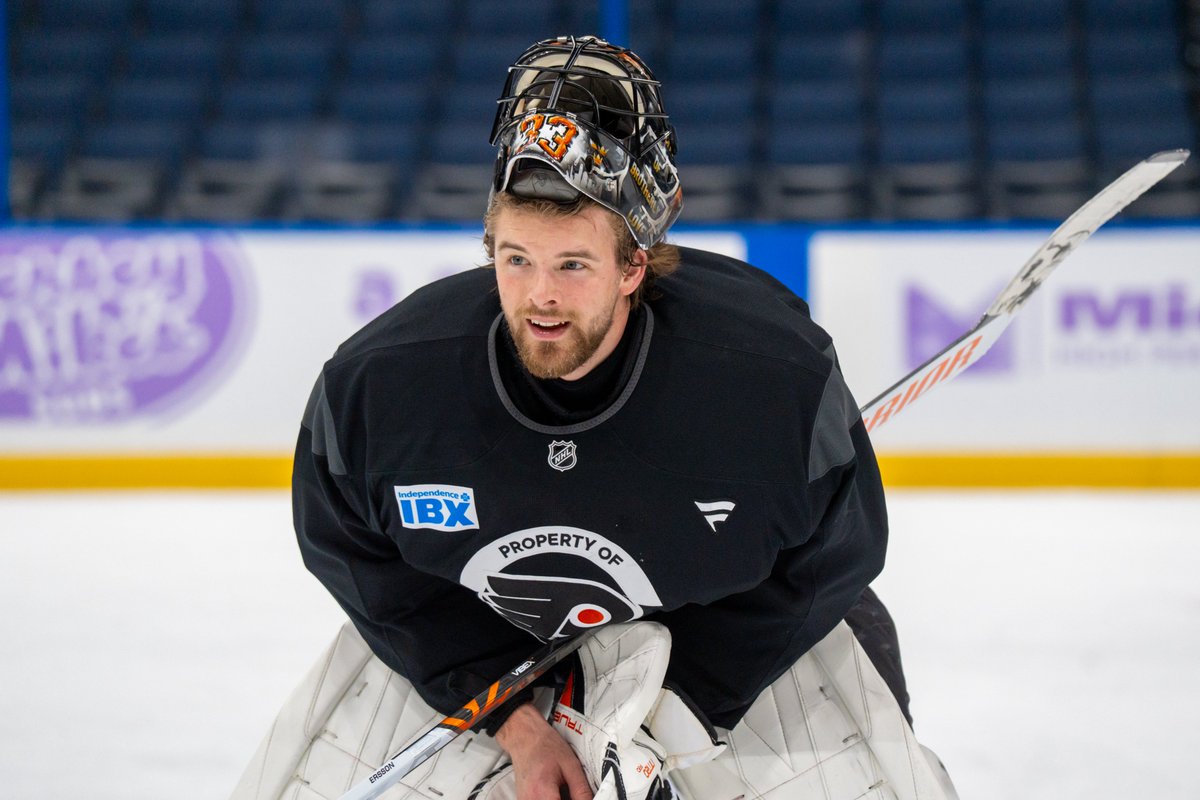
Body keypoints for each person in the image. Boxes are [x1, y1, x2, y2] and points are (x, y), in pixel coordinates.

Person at [236, 35, 953, 800]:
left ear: (633, 267)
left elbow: (838, 552)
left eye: (573, 266)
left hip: (729, 643)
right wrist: (511, 719)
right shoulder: (377, 387)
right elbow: (345, 545)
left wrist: (681, 711)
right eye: (516, 260)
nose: (540, 296)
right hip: (492, 642)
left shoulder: (773, 379)